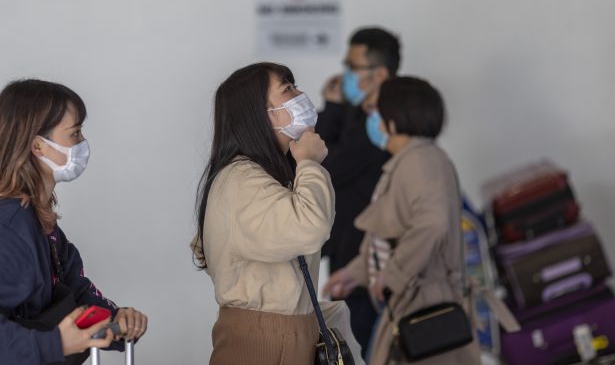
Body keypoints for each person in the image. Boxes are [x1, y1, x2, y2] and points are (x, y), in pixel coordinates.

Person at [324, 76, 481, 364]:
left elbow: (432, 224)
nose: (372, 119)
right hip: (413, 303)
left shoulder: (422, 161)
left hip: (429, 307)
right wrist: (354, 274)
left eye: (376, 111)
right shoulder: (409, 161)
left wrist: (393, 275)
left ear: (394, 119)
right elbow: (388, 234)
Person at [191, 62, 335, 365]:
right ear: (258, 113)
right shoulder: (242, 178)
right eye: (288, 89)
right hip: (265, 340)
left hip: (286, 334)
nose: (301, 95)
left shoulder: (262, 174)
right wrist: (310, 162)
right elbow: (310, 227)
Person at [0, 79, 148, 365]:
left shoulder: (41, 223)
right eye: (75, 133)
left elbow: (76, 291)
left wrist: (117, 319)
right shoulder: (10, 228)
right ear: (38, 146)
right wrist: (53, 344)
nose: (83, 144)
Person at [316, 27, 399, 355]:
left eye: (352, 67)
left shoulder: (380, 122)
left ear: (379, 74)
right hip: (349, 256)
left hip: (367, 263)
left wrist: (332, 109)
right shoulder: (358, 114)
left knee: (369, 348)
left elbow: (323, 166)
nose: (344, 75)